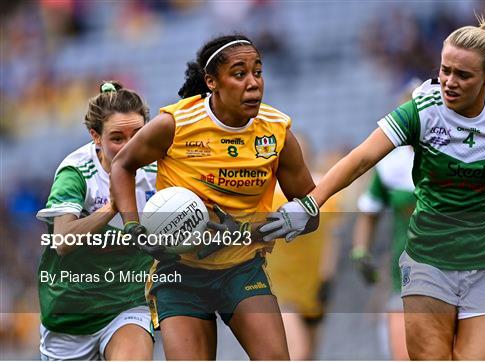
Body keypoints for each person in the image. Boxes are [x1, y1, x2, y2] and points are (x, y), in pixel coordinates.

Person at [263, 17, 485, 360]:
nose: (449, 83)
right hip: (430, 260)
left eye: (463, 75)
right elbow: (362, 157)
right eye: (445, 70)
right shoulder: (423, 109)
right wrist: (310, 203)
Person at [110, 34, 317, 360]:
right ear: (211, 82)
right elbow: (122, 165)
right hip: (179, 273)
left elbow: (309, 208)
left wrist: (286, 222)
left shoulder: (276, 132)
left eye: (258, 72)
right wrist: (134, 227)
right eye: (239, 74)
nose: (253, 84)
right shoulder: (176, 124)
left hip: (241, 269)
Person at [36, 81, 156, 360]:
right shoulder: (76, 172)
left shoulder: (158, 168)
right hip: (70, 315)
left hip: (128, 304)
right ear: (96, 137)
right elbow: (63, 242)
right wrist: (114, 206)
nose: (129, 147)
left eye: (137, 135)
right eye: (117, 138)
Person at [266, 135, 342, 360]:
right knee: (299, 352)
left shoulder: (323, 193)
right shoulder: (268, 193)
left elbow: (331, 238)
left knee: (309, 354)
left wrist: (328, 276)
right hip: (279, 285)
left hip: (312, 285)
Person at [351, 145, 415, 360]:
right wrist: (361, 252)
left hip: (461, 276)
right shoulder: (391, 165)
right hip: (405, 280)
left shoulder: (463, 154)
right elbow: (369, 212)